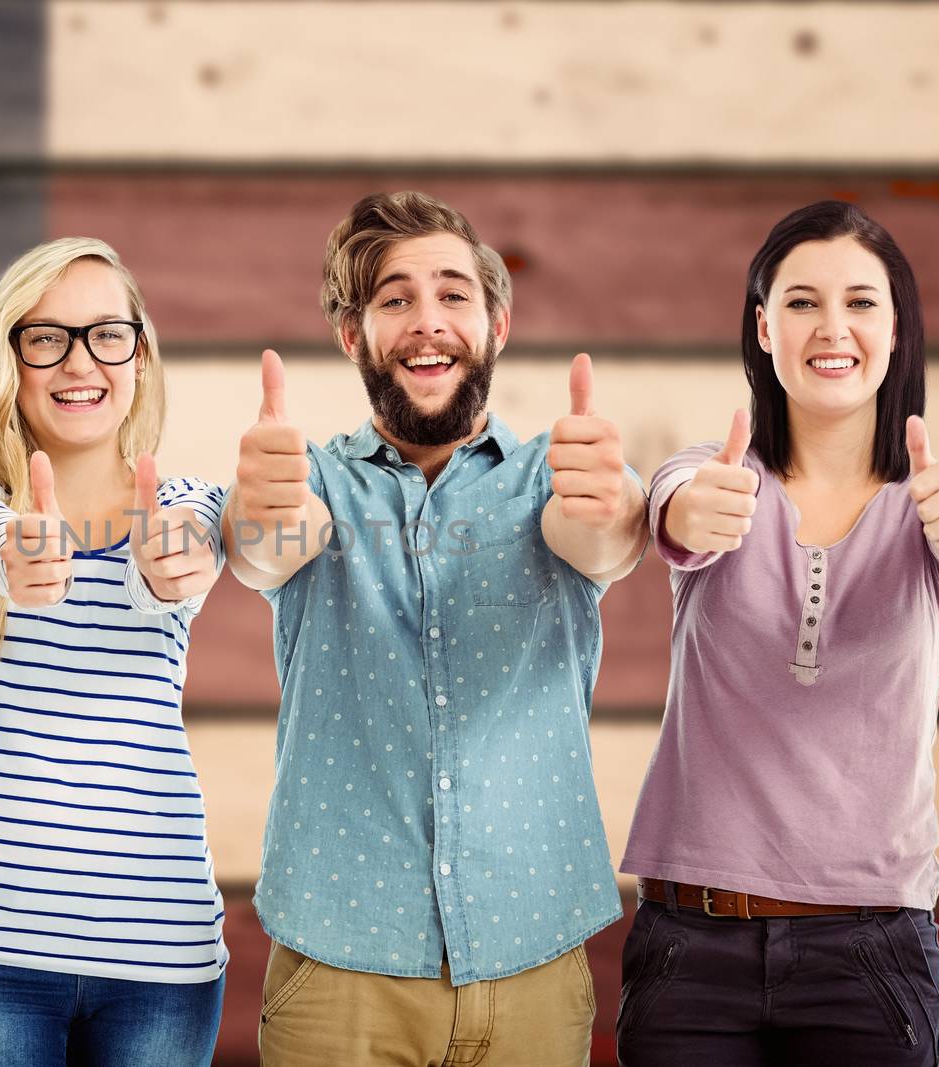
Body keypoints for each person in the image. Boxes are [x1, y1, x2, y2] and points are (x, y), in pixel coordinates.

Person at [223, 191, 649, 1067]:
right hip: (342, 972)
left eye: (454, 295)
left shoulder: (559, 481)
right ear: (354, 335)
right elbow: (266, 548)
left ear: (496, 323)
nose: (429, 322)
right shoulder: (310, 482)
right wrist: (262, 514)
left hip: (532, 961)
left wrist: (615, 509)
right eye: (395, 298)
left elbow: (603, 539)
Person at [616, 200, 939, 1066]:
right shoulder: (712, 475)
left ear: (898, 327)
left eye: (861, 302)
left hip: (873, 954)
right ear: (764, 327)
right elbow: (673, 512)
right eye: (801, 302)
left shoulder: (937, 504)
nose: (832, 326)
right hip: (693, 944)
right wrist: (689, 508)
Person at [0, 237, 228, 1067]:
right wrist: (6, 551)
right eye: (46, 336)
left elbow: (206, 552)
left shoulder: (188, 506)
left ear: (141, 357)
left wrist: (173, 566)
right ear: (10, 359)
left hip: (159, 954)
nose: (78, 359)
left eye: (106, 333)